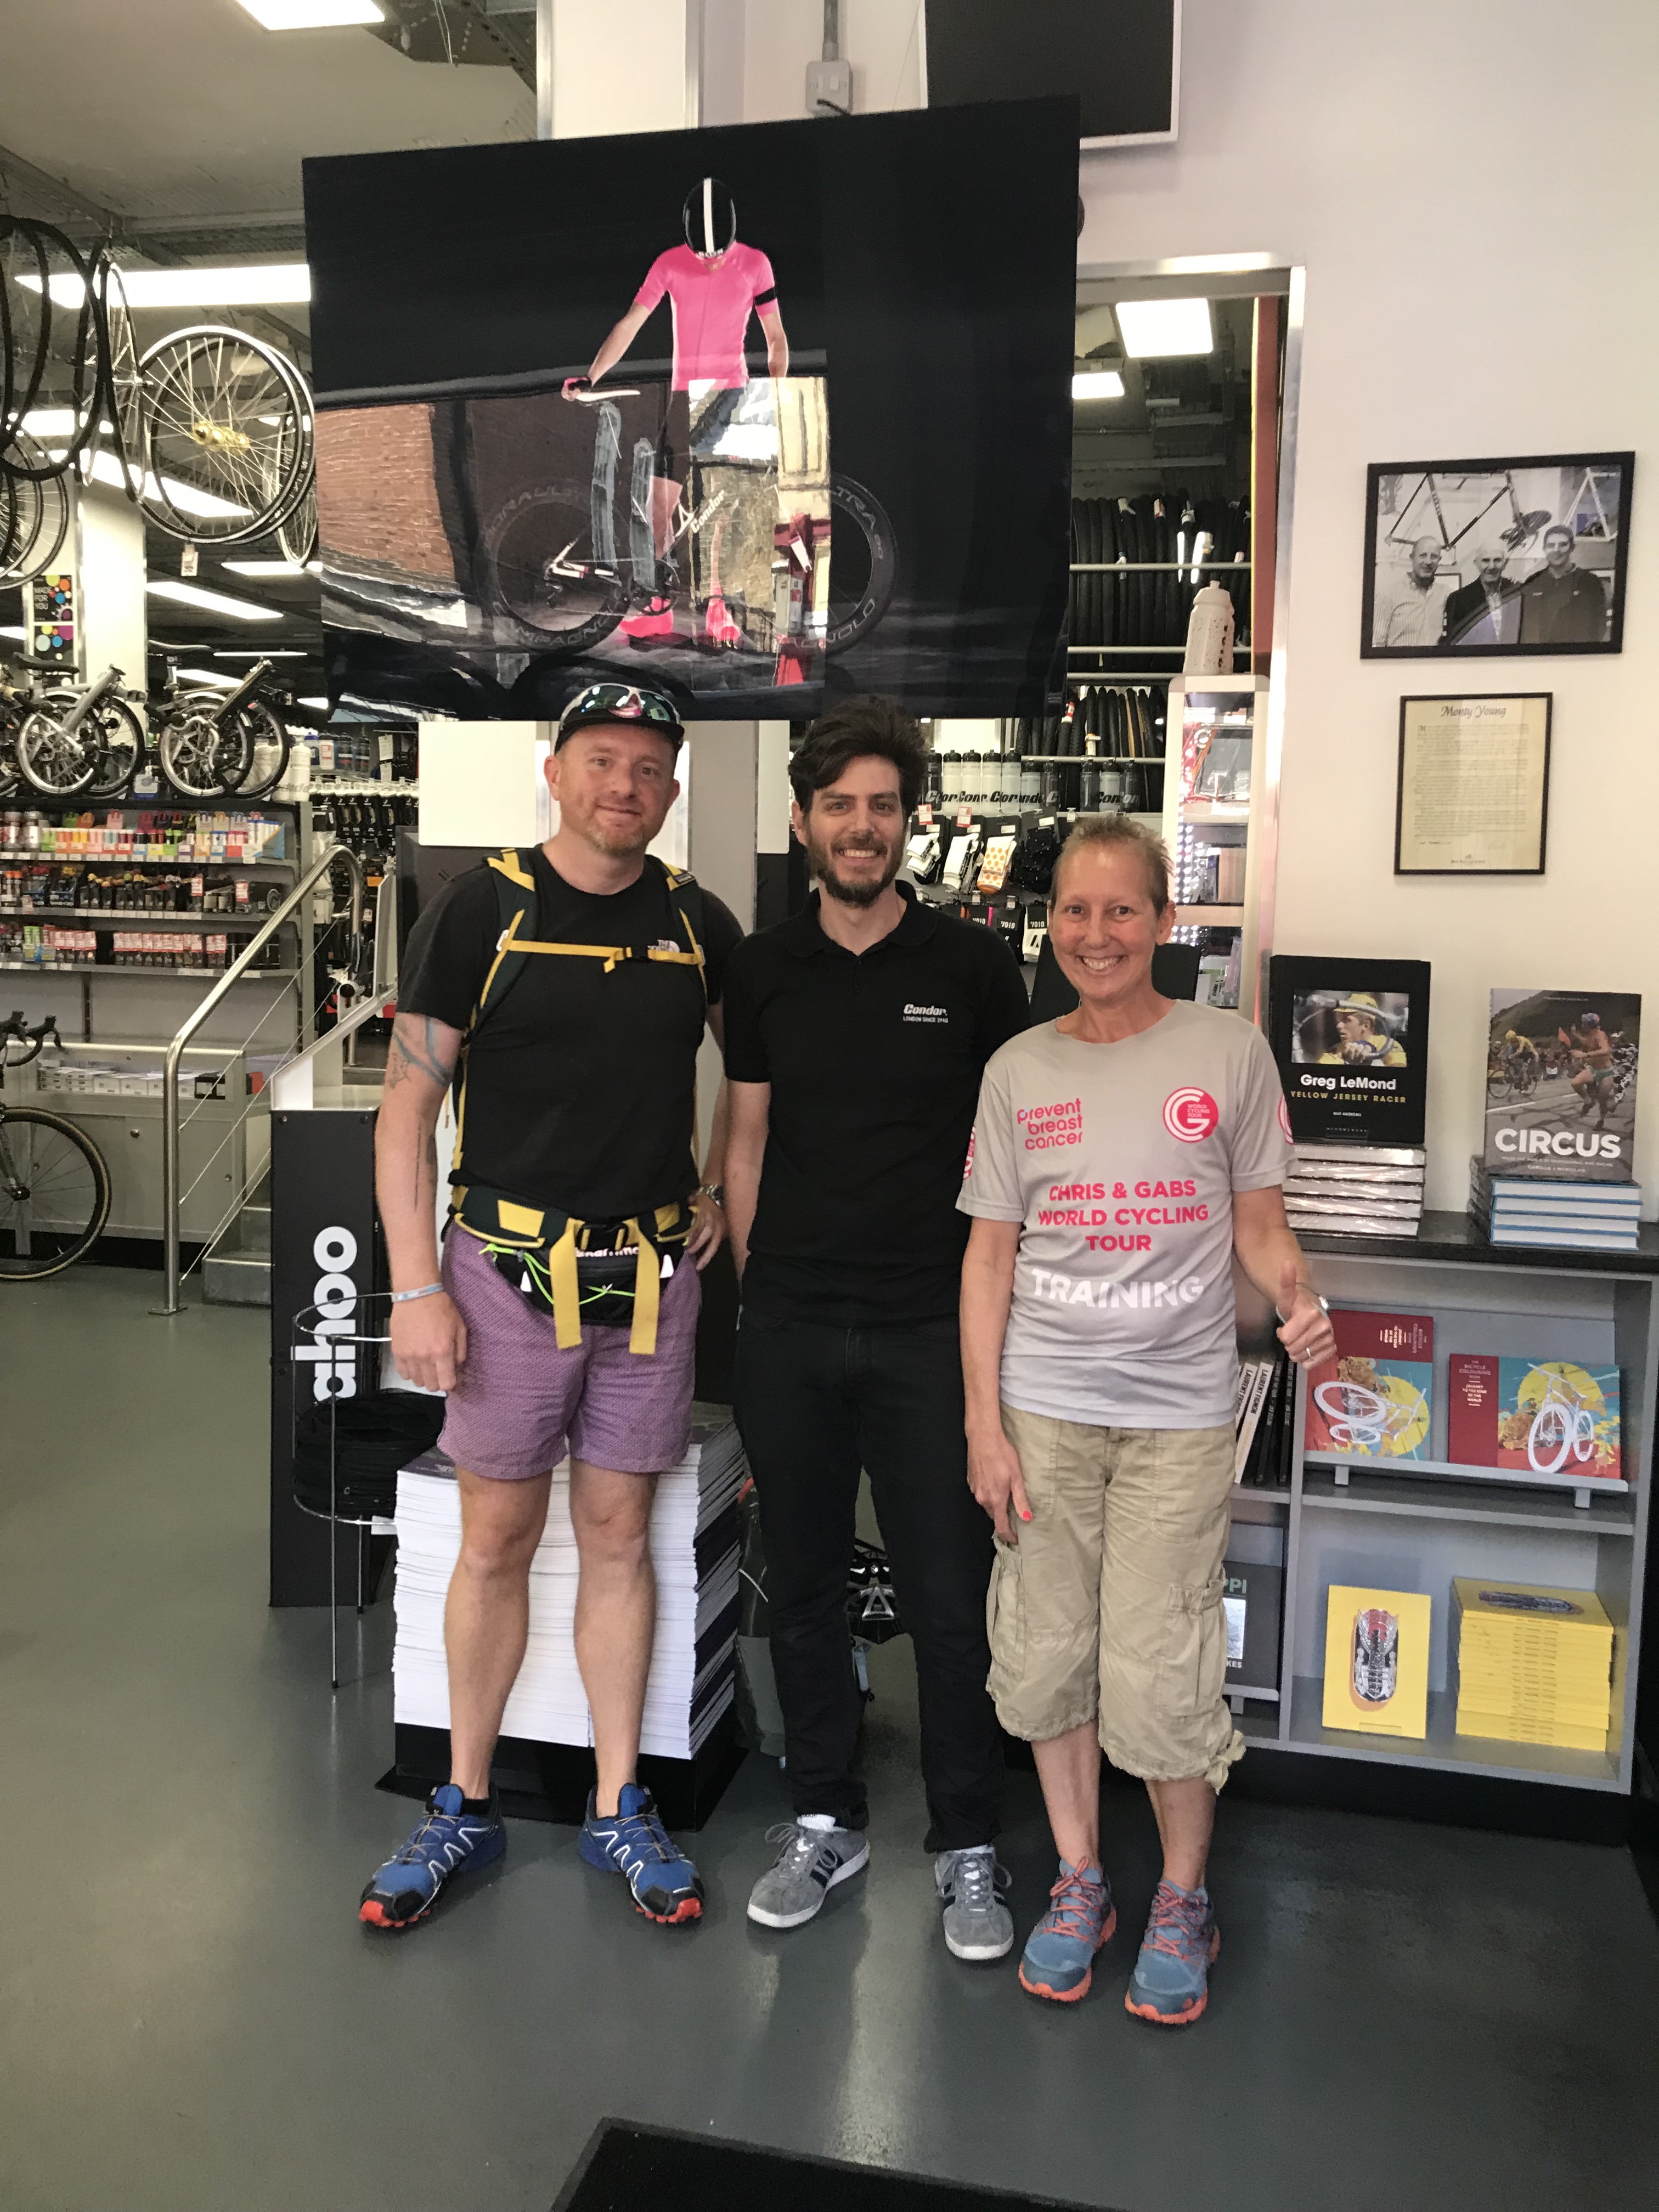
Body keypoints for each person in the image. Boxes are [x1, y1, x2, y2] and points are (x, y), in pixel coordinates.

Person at [359, 680, 743, 1933]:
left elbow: (755, 1079)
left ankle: (619, 1804)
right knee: (496, 1541)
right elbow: (406, 1112)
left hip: (649, 1286)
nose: (625, 785)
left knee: (623, 1538)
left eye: (649, 767)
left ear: (671, 788)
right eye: (601, 760)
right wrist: (416, 1285)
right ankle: (462, 1801)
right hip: (502, 1283)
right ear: (556, 770)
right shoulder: (482, 909)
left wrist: (721, 1194)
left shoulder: (698, 923)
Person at [958, 814, 1335, 2027]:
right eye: (1074, 910)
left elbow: (1260, 1227)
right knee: (1047, 1651)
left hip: (1177, 1416)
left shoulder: (1228, 1052)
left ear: (1164, 921)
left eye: (1121, 909)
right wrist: (981, 1423)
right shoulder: (1018, 1070)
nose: (1096, 933)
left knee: (1161, 1667)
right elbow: (989, 1258)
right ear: (1050, 923)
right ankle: (1079, 1880)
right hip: (1043, 1414)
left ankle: (1181, 1894)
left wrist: (1297, 1295)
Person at [721, 697, 1031, 1960]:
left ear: (911, 821)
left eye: (883, 806)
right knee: (802, 1589)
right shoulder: (761, 970)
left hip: (927, 1330)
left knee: (951, 1599)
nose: (862, 826)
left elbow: (1011, 1157)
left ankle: (968, 1844)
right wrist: (762, 1297)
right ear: (804, 820)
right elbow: (745, 1142)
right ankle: (824, 1819)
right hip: (791, 1326)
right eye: (840, 806)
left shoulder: (973, 969)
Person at [565, 176, 789, 644]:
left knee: (723, 508)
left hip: (730, 395)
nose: (710, 261)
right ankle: (657, 609)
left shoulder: (756, 264)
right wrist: (593, 376)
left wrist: (778, 392)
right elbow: (631, 323)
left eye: (718, 253)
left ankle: (719, 611)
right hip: (685, 398)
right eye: (701, 253)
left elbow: (776, 338)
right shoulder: (669, 263)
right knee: (657, 511)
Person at [1519, 524, 1608, 645]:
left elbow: (1600, 625)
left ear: (1572, 548)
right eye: (1551, 545)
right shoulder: (1533, 583)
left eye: (1563, 545)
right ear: (1544, 549)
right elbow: (1524, 626)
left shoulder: (1590, 582)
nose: (1557, 550)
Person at [1372, 535, 1451, 648]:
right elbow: (1376, 644)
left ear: (1440, 560)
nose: (1428, 562)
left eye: (1434, 556)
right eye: (1423, 555)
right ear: (1412, 557)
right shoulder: (1388, 595)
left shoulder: (1446, 594)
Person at [1442, 544, 1521, 647]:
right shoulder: (1458, 600)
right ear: (1476, 563)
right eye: (1486, 561)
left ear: (1505, 563)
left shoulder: (1518, 592)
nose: (1492, 567)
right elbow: (1454, 643)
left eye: (1497, 560)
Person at [1316, 991, 1406, 1068]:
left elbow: (1399, 1069)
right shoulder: (1336, 1048)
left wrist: (1373, 1062)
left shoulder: (1387, 1045)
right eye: (1338, 1020)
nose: (1339, 1026)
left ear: (1366, 1026)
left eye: (1347, 1020)